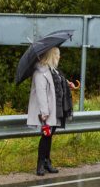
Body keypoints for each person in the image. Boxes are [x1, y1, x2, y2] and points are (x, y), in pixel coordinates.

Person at [27, 46, 76, 176]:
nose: (59, 57)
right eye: (57, 54)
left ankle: (47, 162)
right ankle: (40, 164)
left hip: (56, 109)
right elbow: (41, 93)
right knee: (46, 136)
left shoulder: (53, 70)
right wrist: (44, 112)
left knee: (49, 136)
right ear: (52, 56)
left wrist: (68, 83)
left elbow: (58, 81)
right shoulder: (40, 72)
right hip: (47, 111)